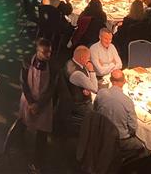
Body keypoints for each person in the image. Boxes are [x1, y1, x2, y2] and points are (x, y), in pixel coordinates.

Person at [20, 38, 56, 174]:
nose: (48, 55)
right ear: (37, 50)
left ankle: (37, 163)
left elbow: (52, 88)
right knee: (22, 122)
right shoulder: (27, 61)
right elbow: (23, 82)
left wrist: (39, 105)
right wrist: (30, 102)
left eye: (50, 52)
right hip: (28, 99)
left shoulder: (53, 65)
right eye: (45, 52)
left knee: (42, 133)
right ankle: (18, 144)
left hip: (44, 103)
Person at [94, 69, 146, 160]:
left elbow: (95, 110)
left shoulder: (101, 93)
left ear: (110, 80)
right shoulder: (128, 101)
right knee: (144, 144)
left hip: (101, 133)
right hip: (119, 140)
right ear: (124, 81)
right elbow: (133, 127)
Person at [59, 45, 97, 128]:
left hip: (76, 97)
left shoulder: (71, 62)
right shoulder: (77, 74)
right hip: (80, 104)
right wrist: (92, 70)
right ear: (81, 58)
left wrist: (86, 87)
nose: (89, 60)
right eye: (88, 58)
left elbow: (87, 81)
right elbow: (95, 89)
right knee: (102, 111)